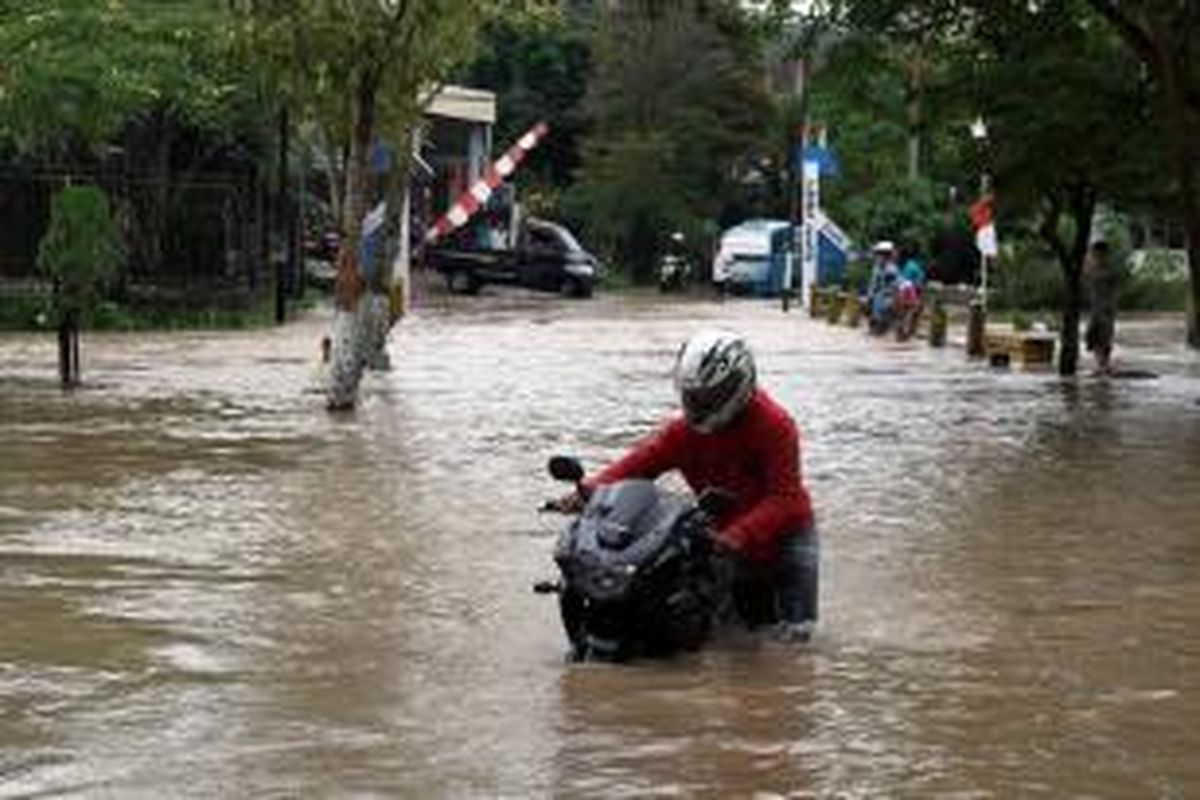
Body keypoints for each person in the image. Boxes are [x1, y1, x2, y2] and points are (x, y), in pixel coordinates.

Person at [558, 330, 818, 641]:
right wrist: (589, 491)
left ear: (738, 386)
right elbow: (641, 463)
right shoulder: (683, 431)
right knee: (728, 640)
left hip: (785, 539)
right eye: (692, 396)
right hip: (722, 538)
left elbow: (785, 498)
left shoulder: (775, 425)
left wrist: (737, 535)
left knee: (795, 645)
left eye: (708, 398)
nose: (698, 405)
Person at [1085, 240, 1120, 374]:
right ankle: (1100, 364)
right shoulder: (1091, 268)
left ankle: (1104, 364)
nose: (1096, 256)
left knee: (1104, 337)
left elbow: (1111, 283)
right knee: (1093, 336)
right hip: (1095, 308)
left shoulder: (1109, 270)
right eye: (1094, 254)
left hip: (1107, 308)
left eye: (1098, 254)